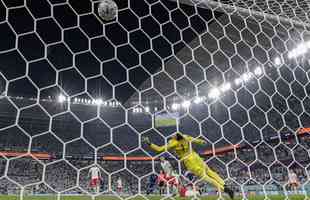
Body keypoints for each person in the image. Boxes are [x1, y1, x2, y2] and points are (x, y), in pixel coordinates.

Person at [143, 132, 234, 199]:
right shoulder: (186, 137)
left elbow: (159, 149)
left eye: (173, 135)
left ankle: (224, 189)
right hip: (195, 156)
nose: (172, 135)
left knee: (205, 177)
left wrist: (149, 143)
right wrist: (202, 141)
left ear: (175, 137)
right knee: (210, 171)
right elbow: (197, 140)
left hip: (189, 161)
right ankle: (224, 184)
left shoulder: (173, 143)